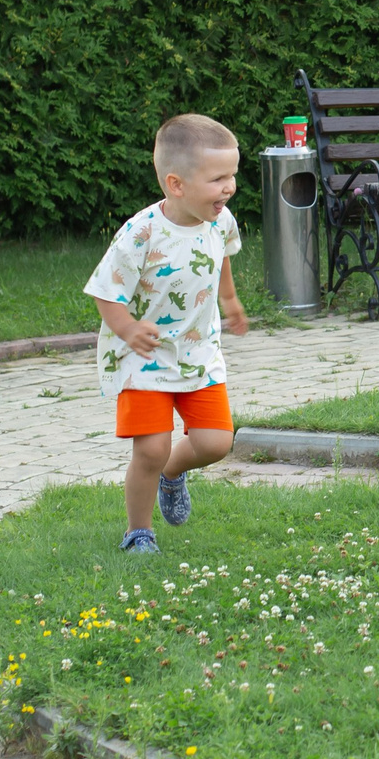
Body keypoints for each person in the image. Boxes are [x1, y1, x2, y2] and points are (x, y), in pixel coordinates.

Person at [84, 113, 250, 554]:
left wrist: (230, 301)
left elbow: (222, 259)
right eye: (218, 179)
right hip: (145, 356)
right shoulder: (141, 233)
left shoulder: (221, 219)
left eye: (232, 175)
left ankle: (172, 475)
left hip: (198, 352)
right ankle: (138, 532)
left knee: (217, 442)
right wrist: (128, 329)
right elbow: (105, 290)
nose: (229, 187)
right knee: (151, 449)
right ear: (176, 184)